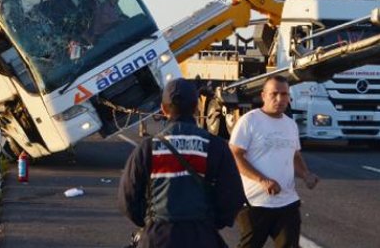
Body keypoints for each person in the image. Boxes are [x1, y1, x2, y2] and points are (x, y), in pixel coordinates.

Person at [118, 78, 245, 248]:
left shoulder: (147, 148)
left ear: (163, 109)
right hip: (202, 236)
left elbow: (128, 198)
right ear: (196, 107)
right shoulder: (215, 146)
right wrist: (210, 222)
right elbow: (232, 196)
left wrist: (152, 221)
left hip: (158, 237)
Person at [229, 75, 320, 248]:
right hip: (254, 202)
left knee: (289, 245)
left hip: (287, 201)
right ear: (263, 96)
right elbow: (235, 155)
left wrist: (306, 174)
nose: (280, 99)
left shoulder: (290, 125)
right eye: (274, 94)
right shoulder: (249, 121)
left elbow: (294, 156)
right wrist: (262, 180)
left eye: (284, 94)